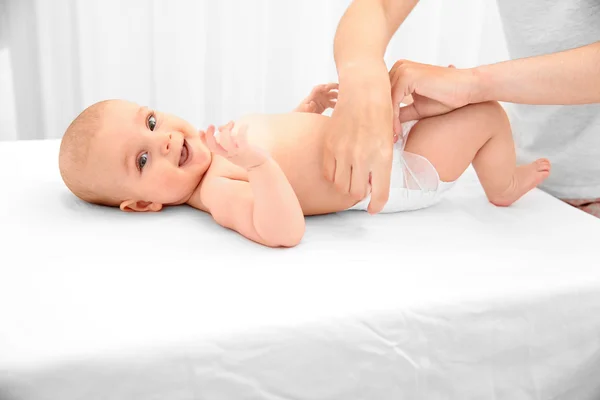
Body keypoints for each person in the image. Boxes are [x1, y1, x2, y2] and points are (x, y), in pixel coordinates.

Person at [58, 77, 549, 248]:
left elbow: (287, 146)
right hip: (398, 174)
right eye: (142, 158)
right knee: (487, 112)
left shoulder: (217, 154)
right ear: (143, 203)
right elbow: (283, 230)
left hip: (377, 142)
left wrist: (304, 111)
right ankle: (503, 184)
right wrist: (257, 165)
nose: (163, 140)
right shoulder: (217, 190)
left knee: (447, 89)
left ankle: (496, 167)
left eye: (150, 122)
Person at [327, 0, 600, 216]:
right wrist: (361, 76)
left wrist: (472, 84)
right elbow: (380, 6)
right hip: (538, 189)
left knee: (486, 115)